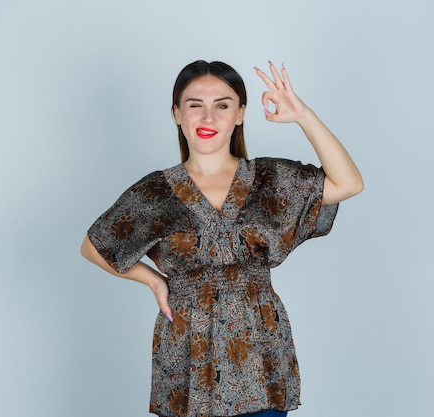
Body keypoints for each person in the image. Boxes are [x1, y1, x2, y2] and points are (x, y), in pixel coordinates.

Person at [80, 60, 363, 417]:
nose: (208, 118)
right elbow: (95, 246)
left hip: (260, 349)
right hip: (186, 353)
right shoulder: (154, 193)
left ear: (241, 114)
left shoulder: (269, 179)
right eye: (195, 105)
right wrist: (154, 281)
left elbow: (348, 183)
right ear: (176, 114)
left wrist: (303, 116)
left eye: (222, 105)